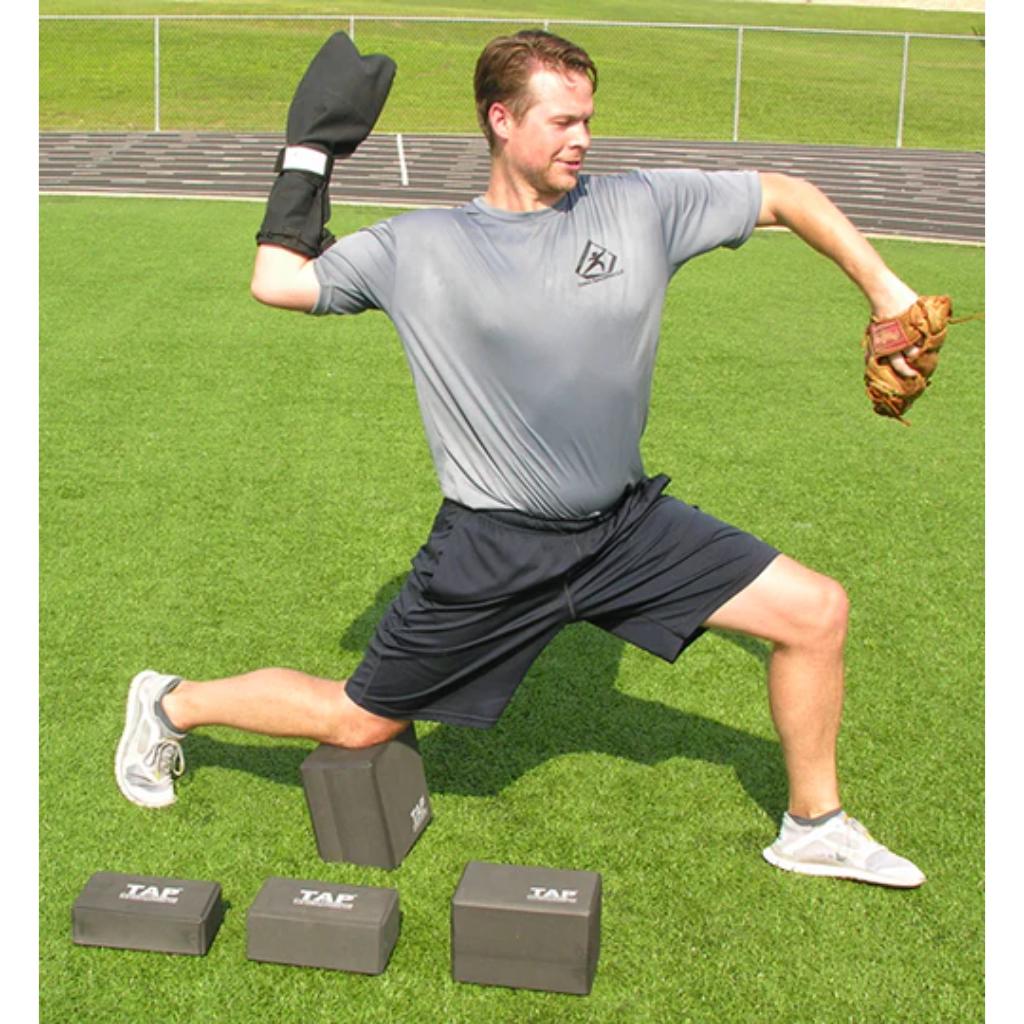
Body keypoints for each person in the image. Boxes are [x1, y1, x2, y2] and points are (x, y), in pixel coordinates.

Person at [116, 30, 926, 888]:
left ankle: (814, 825)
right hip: (495, 550)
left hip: (626, 527)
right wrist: (312, 152)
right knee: (356, 722)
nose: (583, 138)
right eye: (562, 121)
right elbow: (278, 281)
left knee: (815, 613)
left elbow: (786, 194)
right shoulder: (420, 248)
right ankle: (169, 703)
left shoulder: (640, 207)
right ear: (500, 120)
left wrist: (889, 294)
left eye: (589, 120)